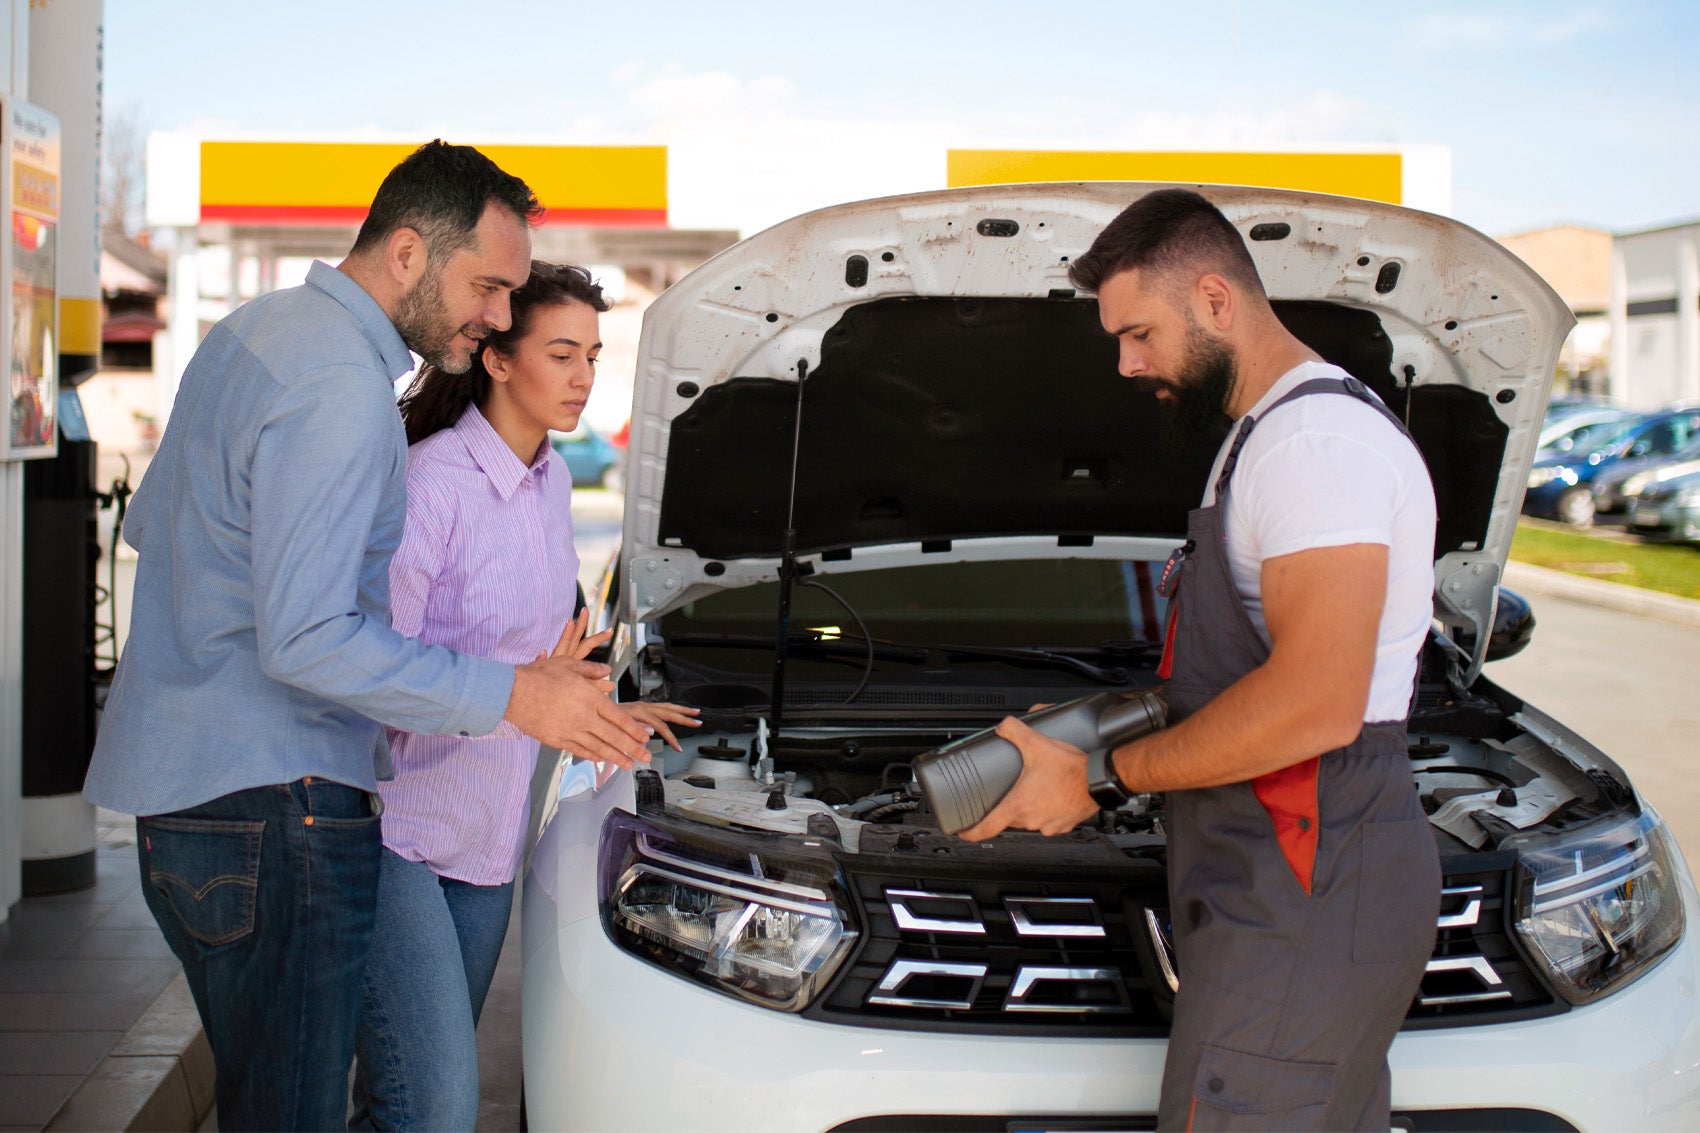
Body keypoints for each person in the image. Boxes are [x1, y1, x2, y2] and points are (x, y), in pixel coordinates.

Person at [82, 142, 653, 1131]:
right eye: (487, 286)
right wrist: (517, 692)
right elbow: (307, 638)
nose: (498, 315)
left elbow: (153, 532)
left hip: (184, 803)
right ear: (404, 252)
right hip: (277, 804)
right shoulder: (343, 389)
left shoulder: (252, 334)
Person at [960, 188, 1441, 1131]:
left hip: (1311, 863)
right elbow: (1241, 668)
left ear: (1216, 300)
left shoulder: (1315, 442)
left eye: (1139, 331)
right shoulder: (1264, 435)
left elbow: (1315, 702)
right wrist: (1086, 729)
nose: (1127, 361)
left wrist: (1099, 776)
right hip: (1279, 869)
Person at [348, 262, 700, 1129]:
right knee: (433, 1104)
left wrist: (600, 705)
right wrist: (524, 695)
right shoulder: (429, 484)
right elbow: (365, 674)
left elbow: (543, 657)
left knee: (404, 1096)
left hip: (488, 840)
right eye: (561, 352)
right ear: (499, 361)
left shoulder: (549, 482)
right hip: (393, 833)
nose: (584, 376)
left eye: (592, 354)